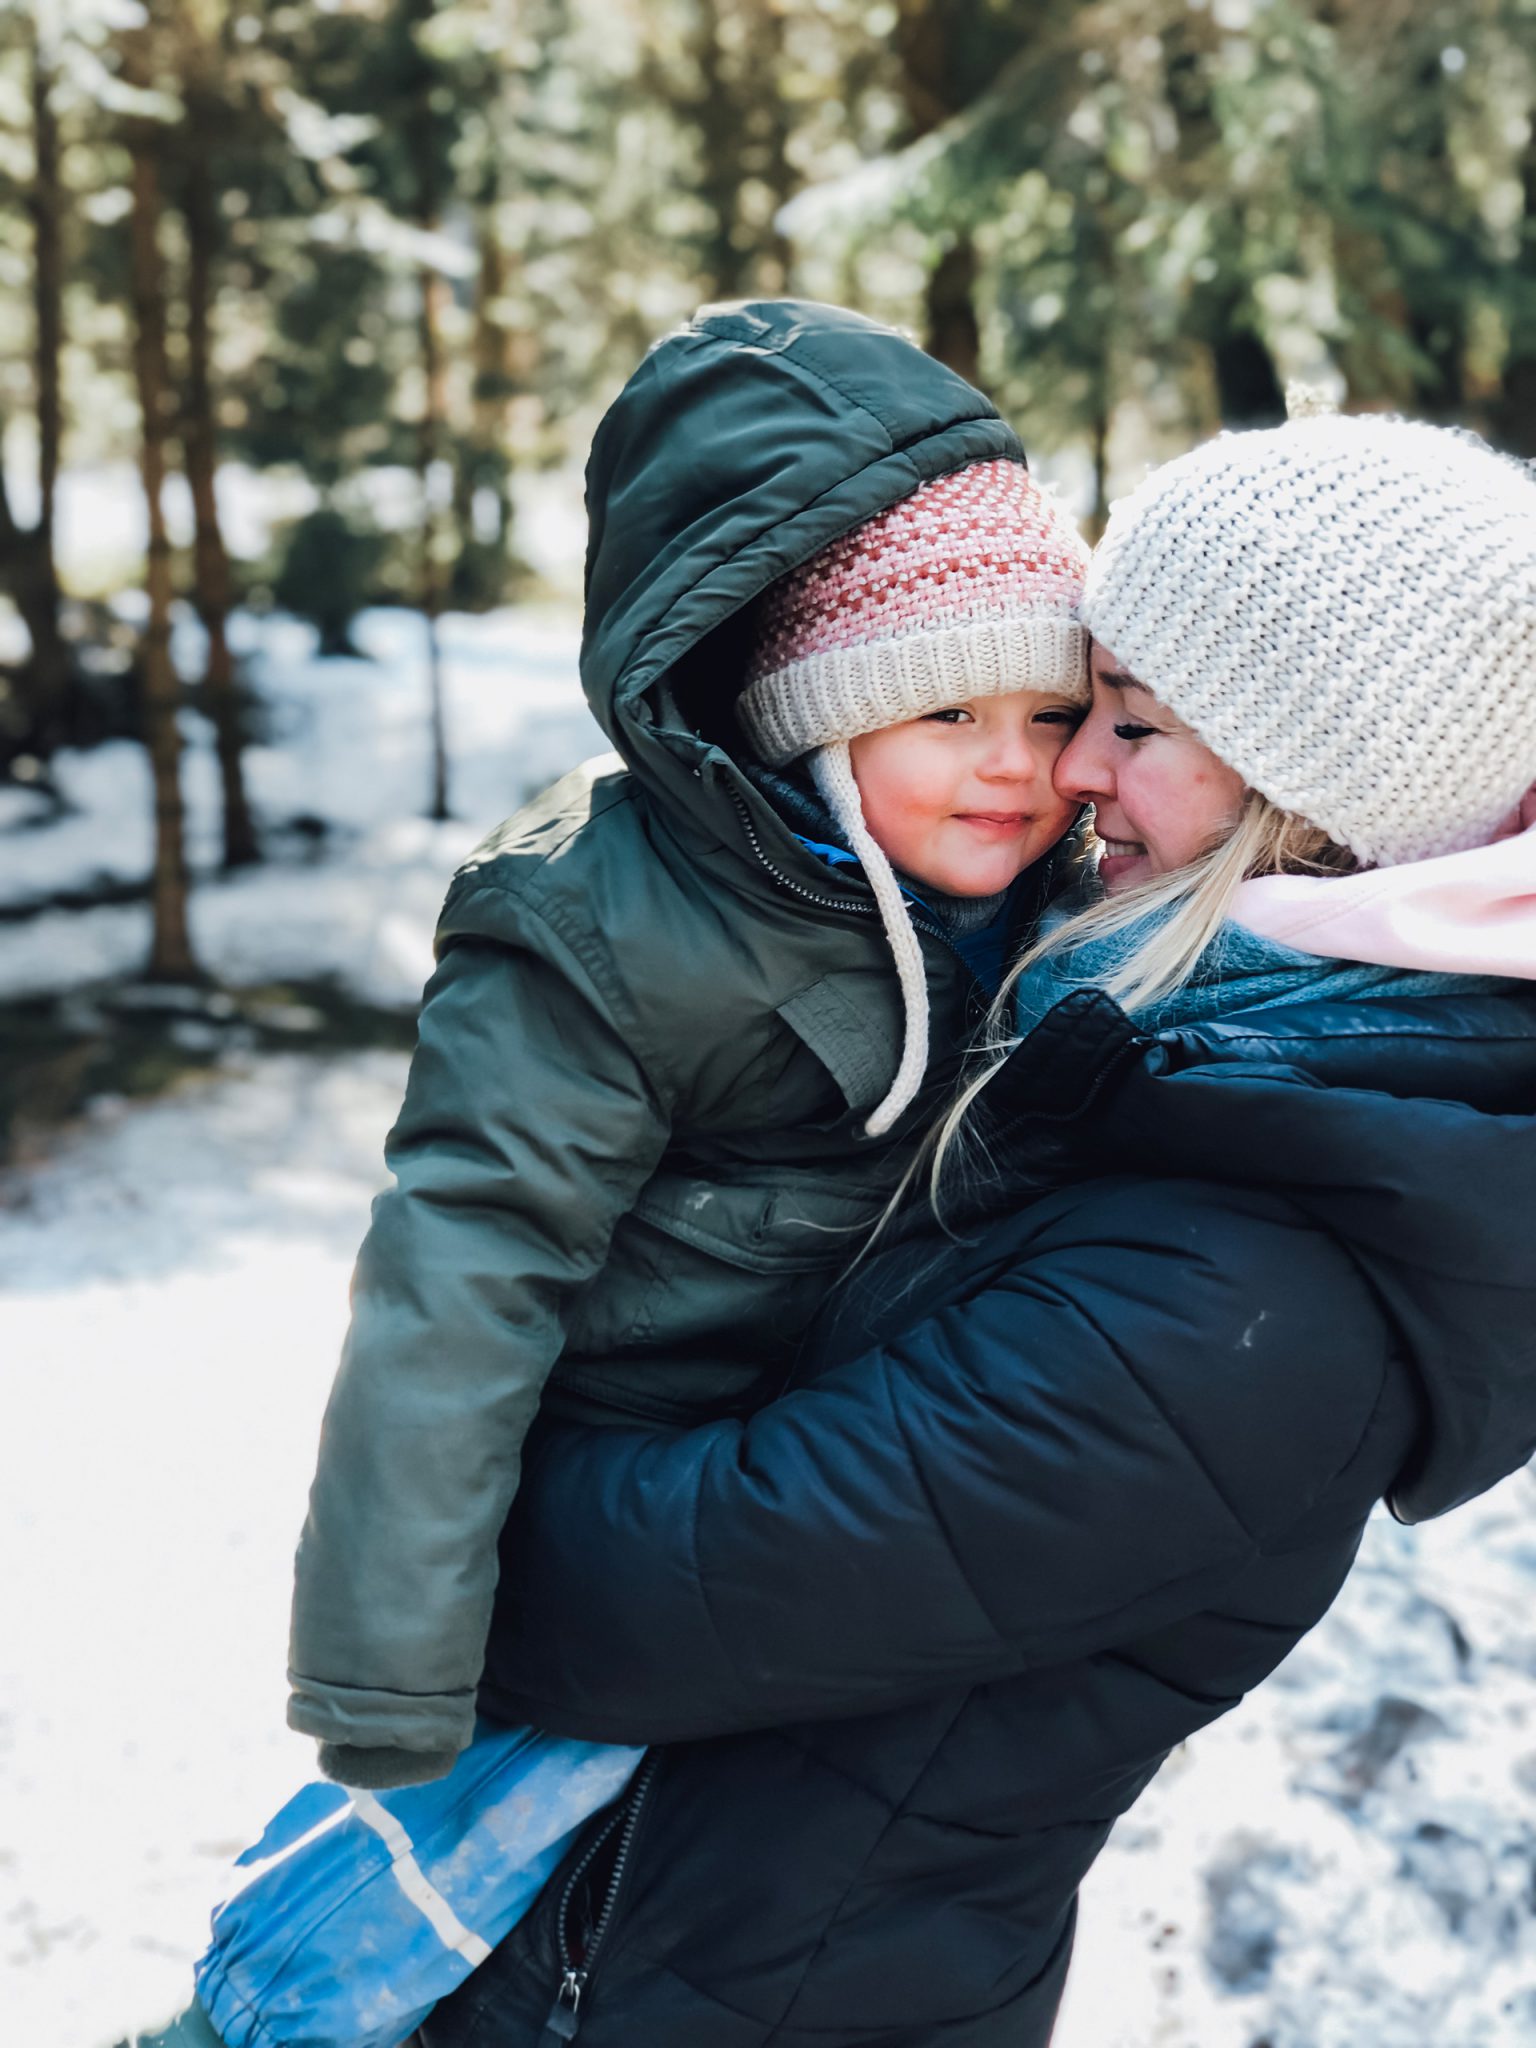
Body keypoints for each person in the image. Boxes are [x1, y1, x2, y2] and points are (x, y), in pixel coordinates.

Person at [422, 412, 1536, 2048]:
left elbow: (618, 1603)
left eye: (1135, 726)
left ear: (1321, 802)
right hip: (650, 1954)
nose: (1072, 768)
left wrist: (437, 1476)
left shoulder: (1257, 1296)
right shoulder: (1168, 1064)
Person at [120, 301, 1094, 2048]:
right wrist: (395, 1664)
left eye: (1050, 708)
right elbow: (460, 1277)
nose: (1015, 768)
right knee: (372, 1937)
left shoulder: (1026, 898)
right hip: (605, 1488)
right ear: (814, 715)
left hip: (796, 1494)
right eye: (946, 710)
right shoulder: (602, 923)